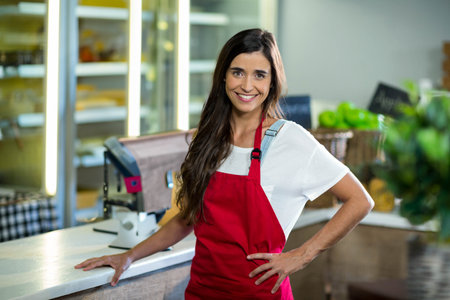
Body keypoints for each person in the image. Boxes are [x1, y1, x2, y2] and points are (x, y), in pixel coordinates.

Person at [75, 28, 374, 299]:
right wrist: (128, 257)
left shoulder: (289, 138)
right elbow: (187, 219)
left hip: (260, 295)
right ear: (223, 76)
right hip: (203, 291)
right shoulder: (208, 138)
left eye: (259, 74)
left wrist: (303, 254)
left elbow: (359, 200)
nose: (247, 85)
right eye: (237, 72)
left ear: (272, 82)